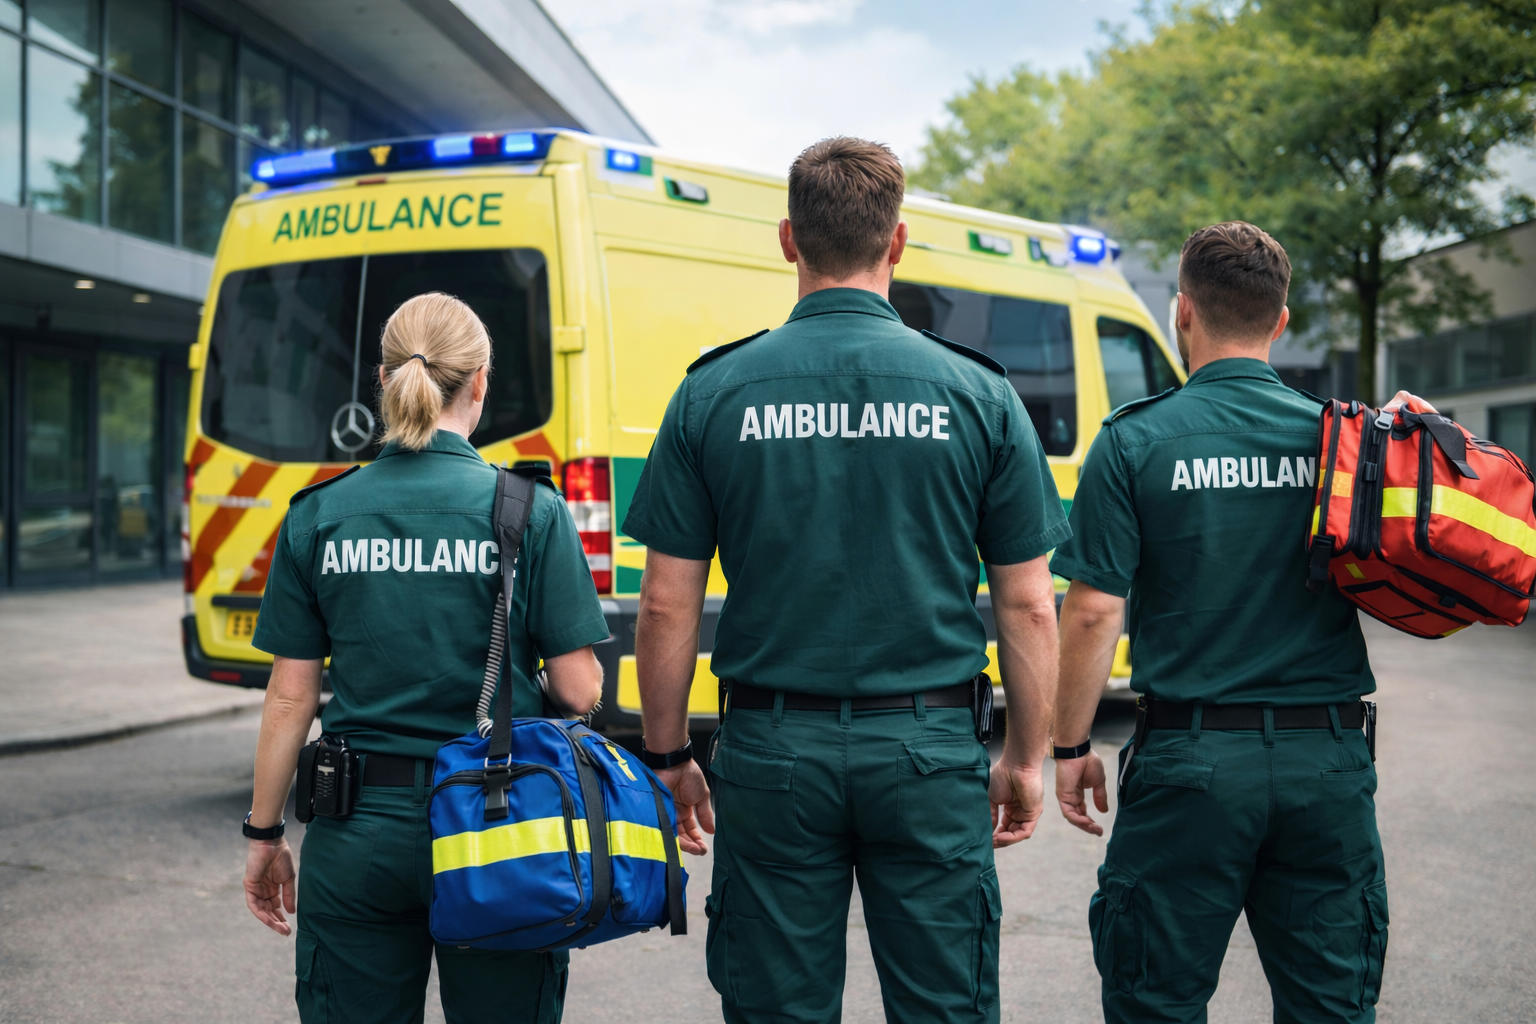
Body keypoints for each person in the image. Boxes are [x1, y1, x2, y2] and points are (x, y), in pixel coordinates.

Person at [623, 137, 1069, 1024]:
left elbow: (666, 603)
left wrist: (668, 756)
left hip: (772, 754)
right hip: (929, 751)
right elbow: (1027, 604)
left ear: (788, 239)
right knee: (945, 1007)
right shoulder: (979, 394)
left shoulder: (713, 392)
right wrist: (1026, 758)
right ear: (897, 242)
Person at [1049, 222, 1400, 1023]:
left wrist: (1069, 747)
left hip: (1189, 765)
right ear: (1281, 321)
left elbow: (1094, 609)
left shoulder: (1134, 440)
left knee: (1156, 1001)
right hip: (1327, 763)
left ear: (1183, 312)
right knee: (1331, 1006)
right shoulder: (1346, 444)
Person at [240, 292, 611, 1024]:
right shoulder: (529, 511)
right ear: (479, 383)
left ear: (383, 380)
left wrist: (264, 835)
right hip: (499, 824)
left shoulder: (319, 513)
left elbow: (289, 697)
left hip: (356, 833)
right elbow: (577, 690)